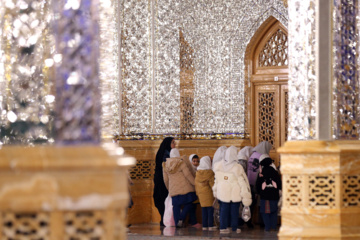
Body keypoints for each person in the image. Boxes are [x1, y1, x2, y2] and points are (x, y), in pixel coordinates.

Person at [213, 146, 252, 234]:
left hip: (222, 194)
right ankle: (234, 228)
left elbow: (216, 181)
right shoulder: (237, 167)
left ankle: (223, 227)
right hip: (235, 194)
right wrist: (245, 196)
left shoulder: (218, 166)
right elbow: (243, 183)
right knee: (234, 212)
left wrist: (215, 192)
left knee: (223, 211)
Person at [163, 148, 201, 228]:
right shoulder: (181, 163)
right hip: (185, 189)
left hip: (173, 190)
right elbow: (188, 175)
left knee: (176, 206)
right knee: (190, 203)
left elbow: (166, 179)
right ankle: (181, 218)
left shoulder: (165, 165)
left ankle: (177, 223)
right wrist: (195, 184)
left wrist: (169, 189)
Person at [246, 141, 272, 228]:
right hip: (258, 182)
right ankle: (262, 222)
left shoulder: (253, 155)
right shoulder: (262, 156)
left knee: (251, 203)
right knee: (261, 202)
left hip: (249, 181)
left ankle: (248, 220)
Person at [256, 154, 281, 232]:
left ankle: (267, 227)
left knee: (265, 212)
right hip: (274, 196)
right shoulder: (275, 172)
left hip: (265, 196)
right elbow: (279, 184)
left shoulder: (261, 173)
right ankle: (274, 227)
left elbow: (258, 185)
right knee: (273, 212)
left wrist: (259, 192)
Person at [153, 137, 175, 227]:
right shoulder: (166, 154)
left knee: (162, 199)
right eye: (173, 143)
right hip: (163, 180)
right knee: (163, 199)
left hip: (160, 179)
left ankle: (164, 219)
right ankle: (164, 219)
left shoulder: (165, 152)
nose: (175, 145)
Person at [195, 156, 217, 231]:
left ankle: (204, 226)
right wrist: (216, 193)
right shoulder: (209, 173)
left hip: (201, 194)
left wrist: (198, 193)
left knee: (203, 210)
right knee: (210, 210)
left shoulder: (197, 173)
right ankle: (210, 225)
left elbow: (196, 184)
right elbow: (212, 185)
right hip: (209, 194)